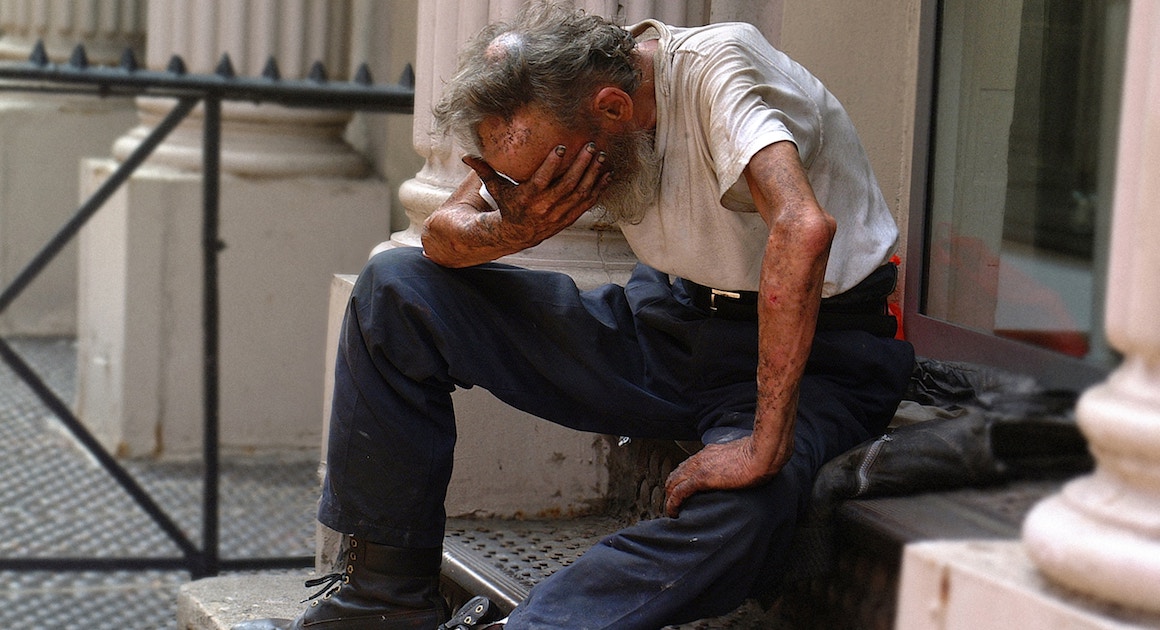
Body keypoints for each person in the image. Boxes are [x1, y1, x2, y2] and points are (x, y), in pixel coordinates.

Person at [236, 1, 914, 628]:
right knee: (396, 285)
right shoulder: (549, 96)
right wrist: (510, 229)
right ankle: (379, 604)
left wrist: (764, 444)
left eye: (538, 172)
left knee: (745, 517)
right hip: (668, 326)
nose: (525, 189)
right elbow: (441, 235)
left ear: (613, 110)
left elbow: (801, 227)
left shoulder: (719, 69)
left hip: (820, 354)